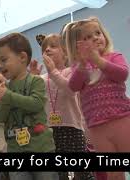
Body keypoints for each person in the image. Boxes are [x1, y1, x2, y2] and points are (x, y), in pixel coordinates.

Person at [64, 17, 130, 180]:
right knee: (113, 172)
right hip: (97, 127)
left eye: (97, 33)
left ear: (104, 35)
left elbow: (122, 74)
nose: (95, 38)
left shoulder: (114, 56)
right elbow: (73, 86)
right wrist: (82, 64)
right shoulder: (78, 67)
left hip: (122, 119)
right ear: (77, 47)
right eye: (86, 38)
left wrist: (98, 61)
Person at [0, 32, 57, 180]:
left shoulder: (36, 81)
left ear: (22, 57)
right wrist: (4, 98)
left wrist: (7, 96)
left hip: (41, 149)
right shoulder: (4, 88)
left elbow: (36, 104)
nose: (0, 66)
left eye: (3, 60)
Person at [38, 34, 93, 180]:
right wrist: (32, 76)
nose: (47, 50)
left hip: (72, 127)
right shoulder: (41, 78)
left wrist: (53, 72)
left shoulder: (71, 71)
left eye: (53, 46)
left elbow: (70, 90)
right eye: (44, 49)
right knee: (59, 174)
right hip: (49, 130)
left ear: (65, 52)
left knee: (83, 172)